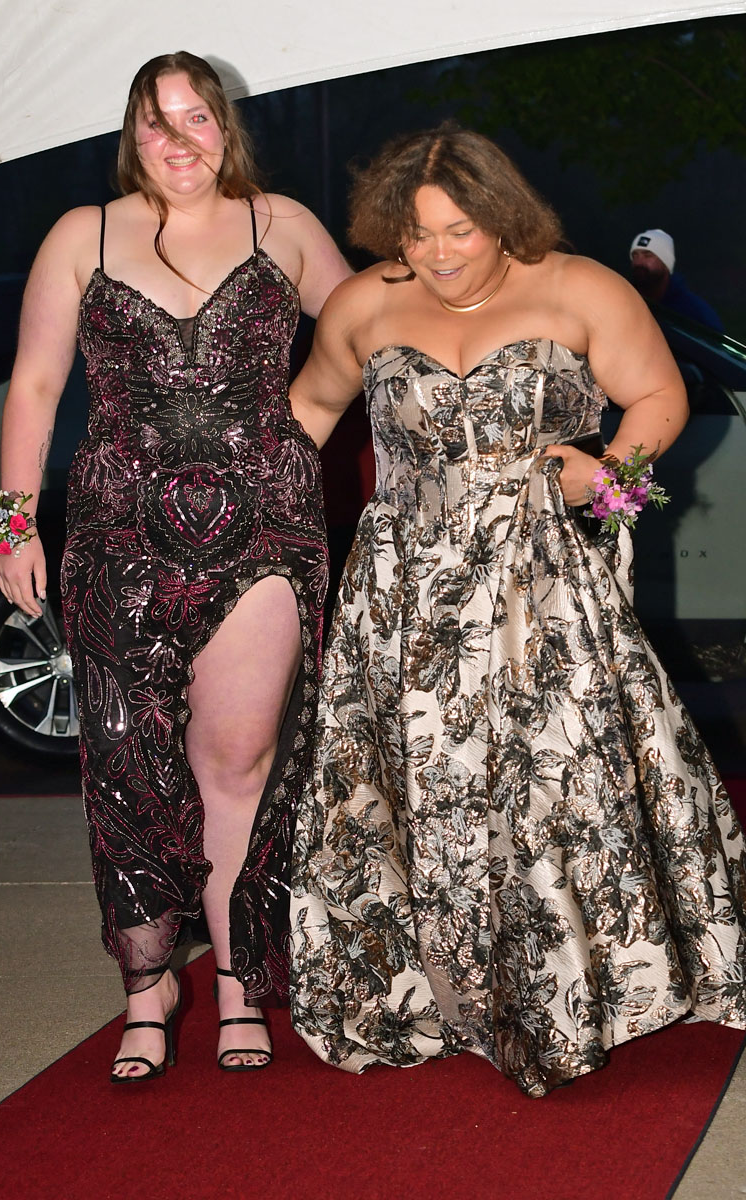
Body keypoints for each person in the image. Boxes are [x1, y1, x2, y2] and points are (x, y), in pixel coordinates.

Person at [288, 124, 746, 1097]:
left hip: (536, 578)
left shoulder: (580, 287)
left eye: (459, 229)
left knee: (545, 783)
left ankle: (557, 991)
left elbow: (656, 394)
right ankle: (439, 991)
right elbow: (309, 413)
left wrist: (612, 474)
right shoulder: (363, 305)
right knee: (427, 788)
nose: (439, 252)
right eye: (416, 235)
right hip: (402, 587)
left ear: (501, 220)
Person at [0, 50, 351, 1081]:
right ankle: (148, 993)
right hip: (115, 534)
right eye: (157, 122)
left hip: (264, 530)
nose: (179, 139)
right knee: (127, 765)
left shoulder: (279, 223)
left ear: (224, 126)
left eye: (196, 117)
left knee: (235, 765)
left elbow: (375, 333)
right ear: (131, 133)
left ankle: (240, 987)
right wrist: (12, 525)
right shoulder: (81, 234)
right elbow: (33, 384)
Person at [630, 228, 724, 331]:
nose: (639, 262)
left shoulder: (695, 313)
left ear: (666, 263)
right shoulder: (625, 298)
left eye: (648, 255)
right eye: (635, 255)